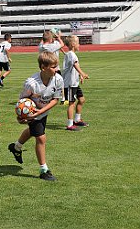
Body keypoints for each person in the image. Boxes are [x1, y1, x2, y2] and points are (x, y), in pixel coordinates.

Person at [8, 51, 63, 181]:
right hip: (33, 114)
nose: (57, 69)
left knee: (34, 132)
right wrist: (22, 116)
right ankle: (44, 170)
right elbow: (22, 102)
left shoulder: (58, 79)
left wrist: (41, 111)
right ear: (43, 67)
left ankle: (16, 147)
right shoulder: (31, 83)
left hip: (43, 112)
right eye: (53, 67)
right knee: (41, 138)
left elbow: (56, 99)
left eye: (57, 66)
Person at [62, 35, 89, 131]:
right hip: (69, 84)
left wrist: (80, 76)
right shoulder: (71, 54)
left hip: (75, 83)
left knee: (81, 100)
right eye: (78, 42)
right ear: (73, 44)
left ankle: (77, 120)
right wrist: (83, 73)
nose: (79, 45)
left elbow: (73, 68)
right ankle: (69, 125)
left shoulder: (72, 54)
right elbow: (75, 65)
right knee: (71, 104)